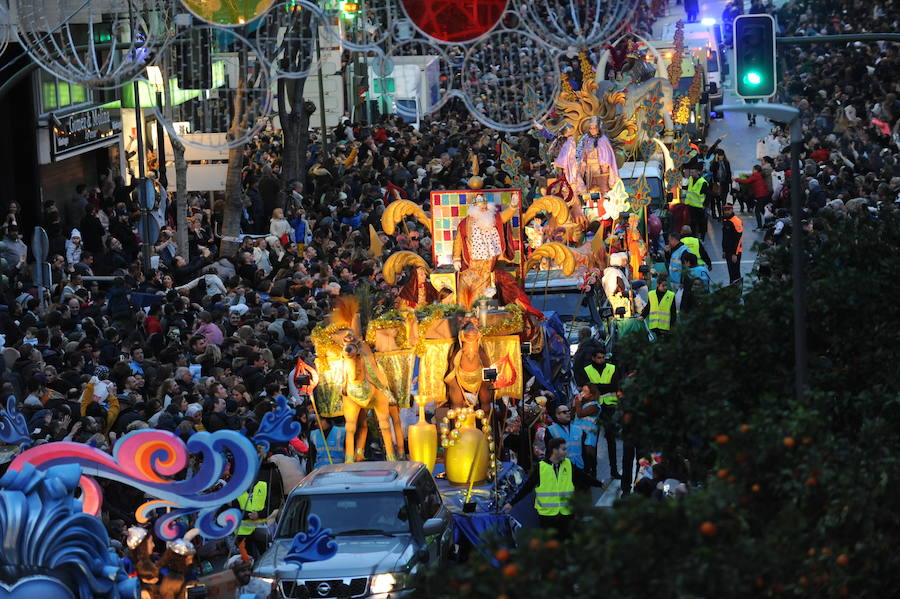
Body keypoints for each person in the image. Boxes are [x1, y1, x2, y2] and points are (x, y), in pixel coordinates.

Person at [503, 437, 602, 538]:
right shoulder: (541, 468)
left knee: (568, 543)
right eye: (563, 449)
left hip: (566, 514)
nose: (566, 453)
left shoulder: (568, 464)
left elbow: (583, 477)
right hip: (547, 516)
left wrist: (600, 484)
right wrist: (512, 503)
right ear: (554, 450)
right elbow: (527, 488)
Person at [584, 349, 620, 479]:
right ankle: (592, 472)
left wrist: (597, 387)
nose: (601, 360)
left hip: (609, 407)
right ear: (593, 358)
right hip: (594, 408)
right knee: (592, 441)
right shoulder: (587, 369)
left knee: (611, 441)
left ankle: (614, 471)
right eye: (599, 358)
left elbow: (614, 387)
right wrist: (603, 387)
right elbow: (588, 388)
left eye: (603, 357)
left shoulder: (612, 368)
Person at [545, 403, 586, 470]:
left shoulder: (579, 429)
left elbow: (584, 450)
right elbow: (549, 452)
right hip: (562, 467)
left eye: (568, 411)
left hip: (579, 466)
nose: (568, 413)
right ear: (557, 415)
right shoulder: (551, 430)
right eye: (564, 412)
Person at [734, 165, 770, 231]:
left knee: (757, 211)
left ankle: (760, 226)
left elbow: (746, 181)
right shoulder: (759, 175)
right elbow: (751, 177)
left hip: (760, 195)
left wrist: (736, 179)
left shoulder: (755, 175)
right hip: (764, 194)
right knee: (762, 210)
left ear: (755, 170)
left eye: (753, 169)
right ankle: (767, 224)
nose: (752, 170)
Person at [683, 162, 710, 240]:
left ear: (698, 172)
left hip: (700, 207)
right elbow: (689, 188)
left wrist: (705, 205)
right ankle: (694, 237)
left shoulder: (703, 182)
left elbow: (708, 195)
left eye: (693, 172)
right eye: (691, 172)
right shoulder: (691, 179)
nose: (691, 173)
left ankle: (702, 238)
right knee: (693, 222)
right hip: (691, 206)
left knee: (701, 223)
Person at [721, 204, 744, 284]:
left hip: (735, 252)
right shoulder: (725, 220)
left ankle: (738, 290)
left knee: (736, 273)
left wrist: (735, 254)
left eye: (728, 210)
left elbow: (738, 239)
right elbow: (725, 237)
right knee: (731, 273)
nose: (727, 212)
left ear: (732, 210)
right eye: (725, 210)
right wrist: (724, 250)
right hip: (728, 251)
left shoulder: (736, 221)